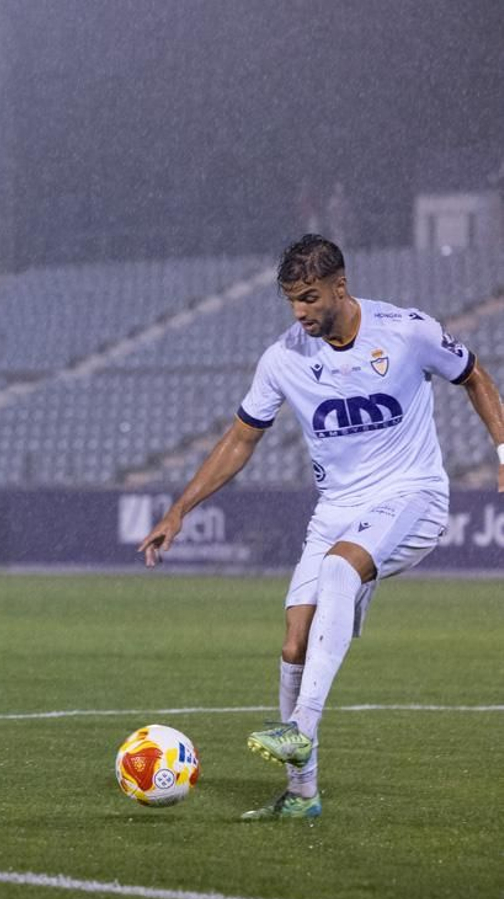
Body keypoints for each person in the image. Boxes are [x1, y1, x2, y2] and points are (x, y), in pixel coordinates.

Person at [137, 234, 504, 820]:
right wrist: (180, 509)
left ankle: (300, 727)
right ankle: (301, 795)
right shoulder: (283, 357)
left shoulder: (406, 331)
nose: (300, 312)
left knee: (339, 567)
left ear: (340, 285)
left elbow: (476, 378)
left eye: (309, 297)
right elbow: (240, 438)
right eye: (291, 302)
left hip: (413, 495)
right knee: (294, 644)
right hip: (336, 508)